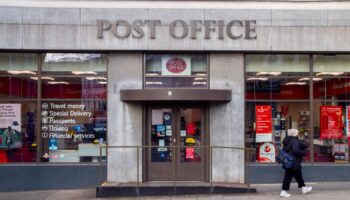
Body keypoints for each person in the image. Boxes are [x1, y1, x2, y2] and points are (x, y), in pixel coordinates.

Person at [280, 129, 312, 198]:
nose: (298, 134)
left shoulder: (286, 140)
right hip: (293, 161)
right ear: (294, 134)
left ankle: (303, 188)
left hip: (288, 160)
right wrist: (304, 152)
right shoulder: (295, 140)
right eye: (297, 133)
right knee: (288, 176)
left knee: (298, 174)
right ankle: (284, 191)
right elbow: (296, 150)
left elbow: (286, 149)